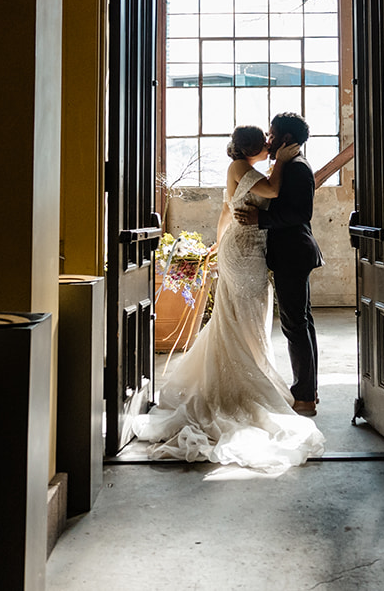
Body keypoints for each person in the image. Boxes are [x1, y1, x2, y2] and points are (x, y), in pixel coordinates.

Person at [135, 125, 325, 471]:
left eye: (273, 135)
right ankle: (253, 383)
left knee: (251, 317)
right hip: (245, 254)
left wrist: (216, 242)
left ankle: (290, 387)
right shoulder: (251, 169)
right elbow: (269, 191)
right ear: (254, 146)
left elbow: (227, 210)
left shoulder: (264, 168)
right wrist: (279, 162)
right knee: (250, 315)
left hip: (248, 249)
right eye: (265, 138)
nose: (270, 141)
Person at [233, 112, 322, 417]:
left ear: (284, 138)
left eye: (271, 135)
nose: (267, 141)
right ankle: (308, 390)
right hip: (292, 253)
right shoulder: (291, 165)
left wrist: (262, 219)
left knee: (295, 325)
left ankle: (305, 396)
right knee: (302, 322)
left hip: (293, 253)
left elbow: (301, 214)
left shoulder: (297, 168)